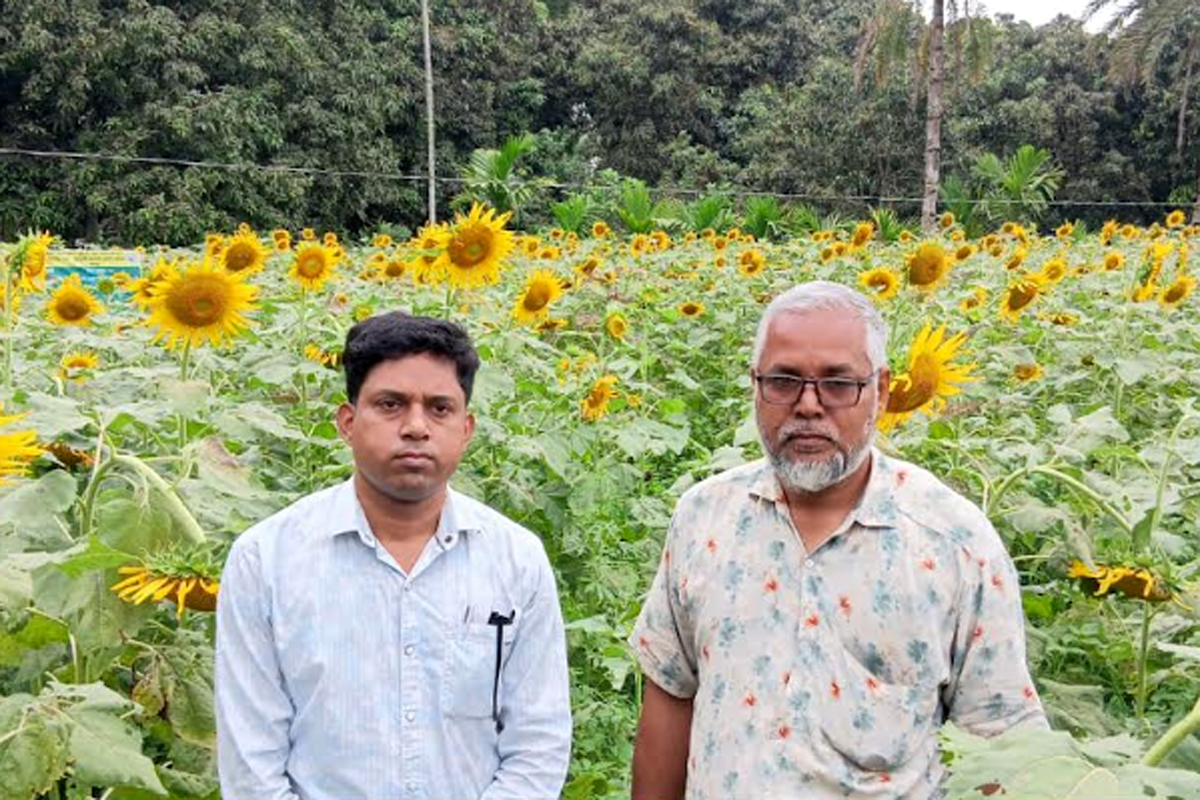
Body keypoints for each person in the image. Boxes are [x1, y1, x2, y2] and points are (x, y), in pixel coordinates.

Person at [629, 281, 1047, 799]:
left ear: (883, 391)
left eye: (838, 383)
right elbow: (672, 696)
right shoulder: (704, 518)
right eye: (783, 381)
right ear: (755, 385)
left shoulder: (953, 543)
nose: (808, 405)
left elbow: (1001, 744)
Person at [216, 312, 572, 800]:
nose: (416, 427)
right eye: (390, 404)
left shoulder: (516, 560)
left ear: (466, 429)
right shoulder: (266, 561)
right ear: (347, 422)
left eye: (440, 408)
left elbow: (538, 743)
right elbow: (251, 766)